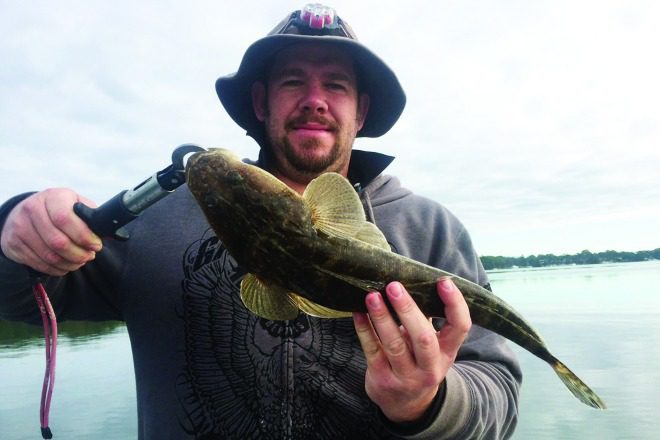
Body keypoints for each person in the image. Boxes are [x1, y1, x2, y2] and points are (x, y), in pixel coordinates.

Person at [0, 4, 521, 439]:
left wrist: (429, 402)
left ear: (361, 111)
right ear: (259, 101)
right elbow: (23, 297)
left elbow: (498, 392)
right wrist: (17, 232)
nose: (314, 100)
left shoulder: (430, 230)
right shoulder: (159, 219)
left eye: (335, 85)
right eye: (292, 81)